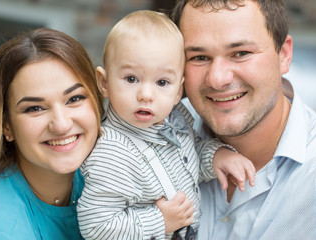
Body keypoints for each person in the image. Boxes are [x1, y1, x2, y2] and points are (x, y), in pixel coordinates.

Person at [77, 10, 255, 240]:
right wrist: (160, 220)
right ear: (104, 82)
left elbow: (184, 162)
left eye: (162, 82)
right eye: (131, 79)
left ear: (177, 91)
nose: (146, 95)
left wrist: (216, 156)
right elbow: (96, 226)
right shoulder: (112, 153)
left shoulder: (172, 120)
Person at [171, 0, 316, 239]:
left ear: (284, 54)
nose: (217, 79)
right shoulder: (159, 132)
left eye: (240, 53)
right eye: (199, 57)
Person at [0, 28, 104, 239]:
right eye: (35, 108)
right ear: (7, 126)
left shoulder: (105, 172)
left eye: (74, 99)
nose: (61, 125)